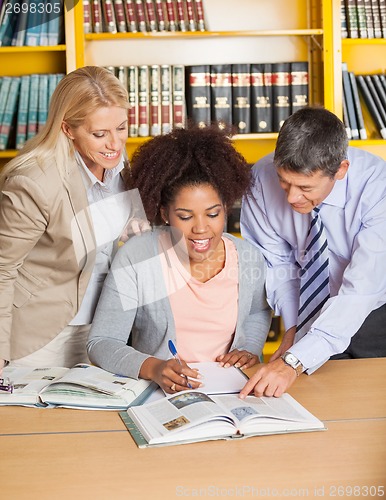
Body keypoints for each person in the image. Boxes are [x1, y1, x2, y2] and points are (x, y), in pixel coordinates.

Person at [87, 126, 271, 394]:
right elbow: (102, 342)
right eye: (185, 217)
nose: (201, 229)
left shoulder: (248, 257)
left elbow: (257, 311)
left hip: (234, 394)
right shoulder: (137, 257)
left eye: (213, 214)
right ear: (164, 213)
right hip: (159, 396)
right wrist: (154, 367)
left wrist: (249, 348)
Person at [0, 66, 145, 374]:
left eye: (121, 127)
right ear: (68, 129)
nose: (115, 144)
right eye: (100, 134)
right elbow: (2, 269)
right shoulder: (34, 181)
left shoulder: (121, 164)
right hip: (41, 335)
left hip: (105, 330)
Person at [239, 106, 386, 399]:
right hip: (310, 310)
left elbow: (361, 290)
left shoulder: (378, 186)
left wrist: (295, 360)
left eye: (305, 187)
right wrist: (294, 328)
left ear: (340, 170)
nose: (292, 197)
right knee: (315, 405)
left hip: (376, 315)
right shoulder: (260, 180)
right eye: (284, 181)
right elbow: (276, 262)